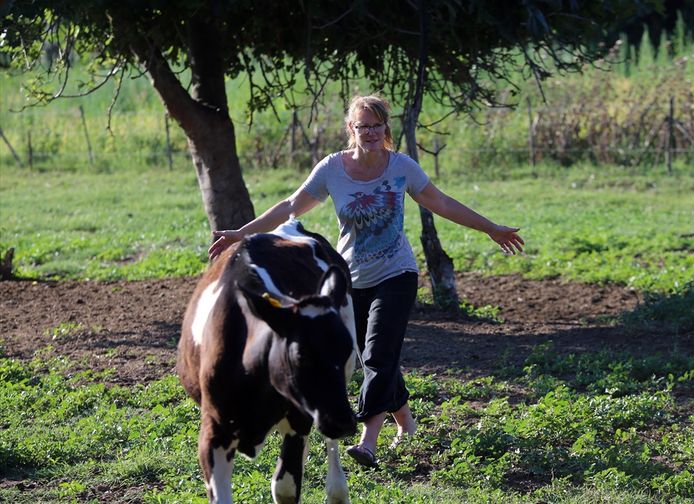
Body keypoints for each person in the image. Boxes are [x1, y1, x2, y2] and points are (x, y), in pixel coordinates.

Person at [207, 94, 524, 468]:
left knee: (377, 354)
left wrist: (491, 228)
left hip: (397, 274)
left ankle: (367, 441)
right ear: (351, 129)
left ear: (385, 128)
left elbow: (443, 203)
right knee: (370, 355)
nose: (370, 132)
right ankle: (405, 421)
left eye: (376, 125)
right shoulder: (332, 169)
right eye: (363, 126)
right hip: (350, 279)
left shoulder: (401, 167)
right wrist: (241, 233)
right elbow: (290, 207)